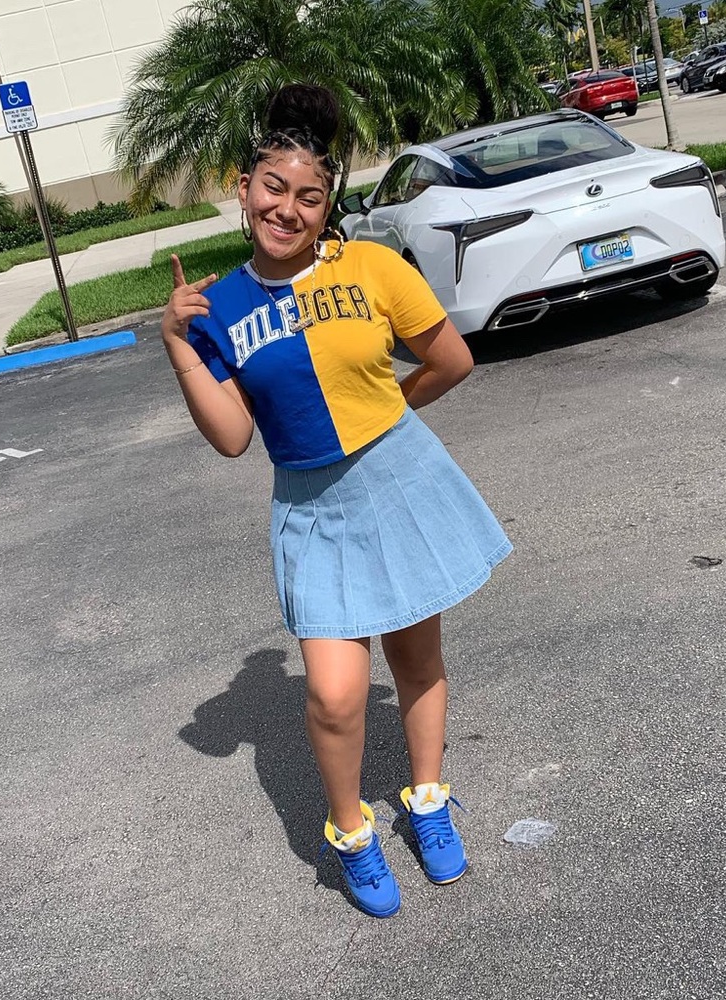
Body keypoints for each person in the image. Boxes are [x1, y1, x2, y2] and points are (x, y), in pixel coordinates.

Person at [162, 84, 512, 918]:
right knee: (334, 691)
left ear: (327, 209)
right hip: (313, 508)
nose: (288, 208)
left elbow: (450, 359)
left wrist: (392, 412)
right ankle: (350, 832)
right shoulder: (219, 307)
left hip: (397, 480)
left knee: (416, 658)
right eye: (273, 189)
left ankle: (428, 801)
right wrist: (177, 342)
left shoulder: (372, 267)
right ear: (243, 188)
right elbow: (232, 439)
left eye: (309, 197)